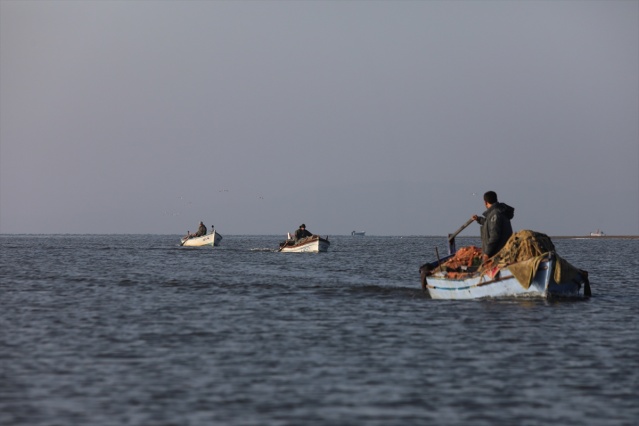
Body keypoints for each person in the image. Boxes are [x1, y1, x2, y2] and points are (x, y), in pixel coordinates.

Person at [471, 191, 514, 260]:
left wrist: (487, 253)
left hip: (498, 255)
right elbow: (489, 223)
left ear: (485, 202)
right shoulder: (499, 211)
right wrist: (478, 219)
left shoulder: (495, 214)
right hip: (503, 253)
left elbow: (495, 235)